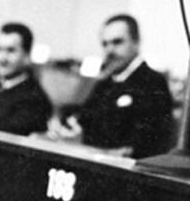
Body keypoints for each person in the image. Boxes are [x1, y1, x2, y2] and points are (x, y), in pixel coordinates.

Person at [47, 13, 173, 158]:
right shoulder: (105, 83)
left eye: (117, 42)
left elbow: (148, 145)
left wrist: (85, 143)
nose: (109, 50)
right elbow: (83, 119)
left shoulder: (153, 83)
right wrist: (68, 128)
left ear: (136, 42)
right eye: (105, 44)